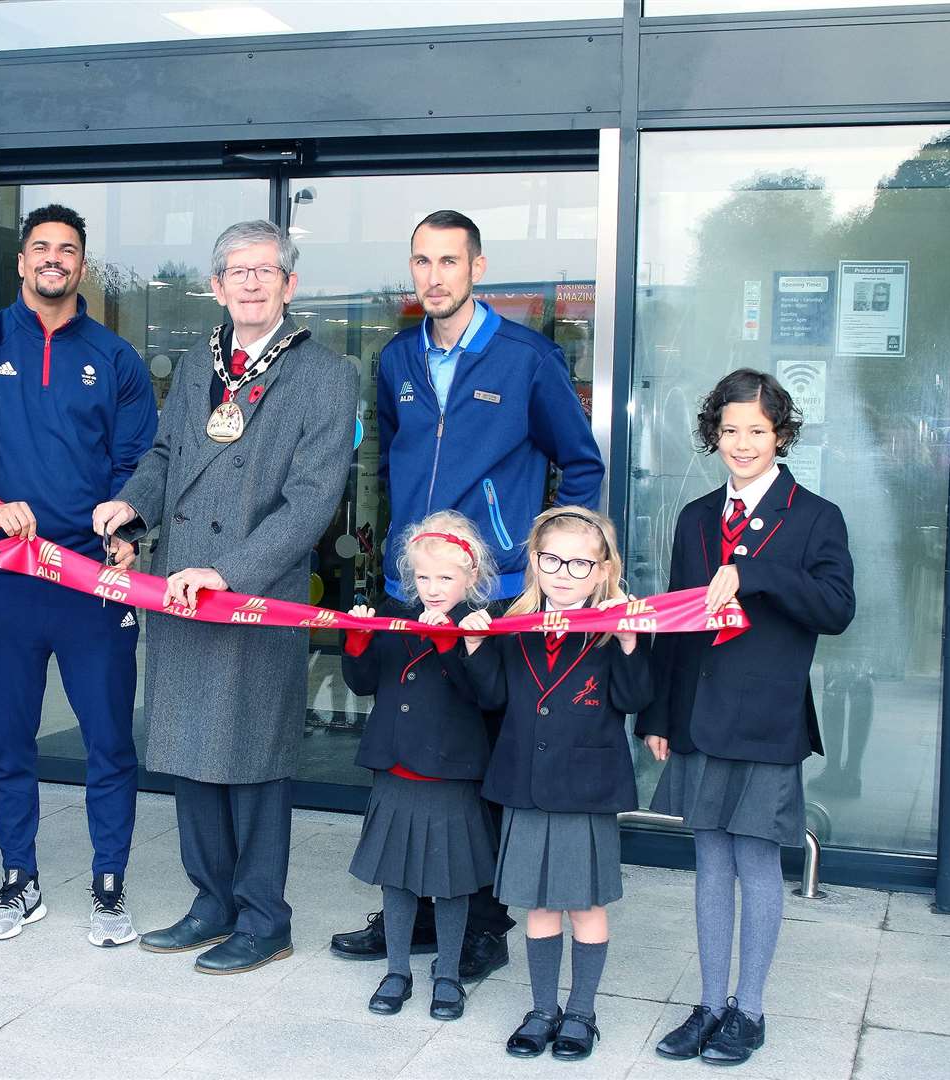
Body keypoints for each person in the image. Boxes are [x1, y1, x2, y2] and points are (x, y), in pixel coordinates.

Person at [332, 208, 606, 980]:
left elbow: (579, 466)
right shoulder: (395, 360)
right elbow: (392, 465)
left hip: (496, 599)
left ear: (478, 268)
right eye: (421, 261)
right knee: (410, 752)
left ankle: (481, 924)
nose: (434, 276)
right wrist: (395, 558)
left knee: (480, 763)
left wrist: (544, 563)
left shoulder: (527, 358)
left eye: (449, 261)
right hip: (409, 593)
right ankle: (412, 912)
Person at [93, 219, 358, 975]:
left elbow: (312, 503)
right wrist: (133, 507)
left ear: (289, 285)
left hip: (253, 595)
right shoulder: (198, 363)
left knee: (253, 758)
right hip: (179, 590)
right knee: (188, 751)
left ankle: (264, 916)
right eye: (235, 272)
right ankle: (211, 902)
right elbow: (168, 454)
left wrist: (230, 573)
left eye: (264, 271)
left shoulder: (327, 375)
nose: (249, 282)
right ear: (215, 286)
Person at [0, 204, 157, 946]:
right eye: (40, 248)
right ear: (21, 262)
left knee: (109, 743)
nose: (53, 258)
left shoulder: (115, 358)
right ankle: (17, 880)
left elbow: (140, 461)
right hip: (6, 580)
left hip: (91, 581)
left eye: (67, 249)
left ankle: (110, 886)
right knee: (9, 743)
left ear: (80, 266)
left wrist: (129, 527)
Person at [636, 369, 854, 1066]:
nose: (741, 443)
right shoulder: (698, 515)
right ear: (714, 433)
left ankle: (748, 1010)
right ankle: (708, 1004)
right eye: (729, 430)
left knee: (757, 861)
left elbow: (836, 607)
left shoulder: (816, 515)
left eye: (756, 431)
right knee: (708, 862)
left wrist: (756, 571)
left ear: (781, 434)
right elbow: (675, 617)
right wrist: (659, 714)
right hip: (699, 713)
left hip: (766, 719)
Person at [471, 507, 652, 1062]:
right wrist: (476, 650)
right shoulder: (509, 621)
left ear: (602, 570)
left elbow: (634, 698)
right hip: (526, 784)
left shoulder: (614, 628)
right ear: (534, 563)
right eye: (552, 560)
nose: (564, 573)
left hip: (586, 786)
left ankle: (581, 1011)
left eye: (579, 563)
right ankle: (543, 1008)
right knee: (539, 905)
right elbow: (492, 698)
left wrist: (626, 643)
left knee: (584, 906)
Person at [339, 511, 502, 1022]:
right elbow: (364, 683)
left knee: (452, 883)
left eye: (446, 578)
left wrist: (454, 642)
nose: (432, 588)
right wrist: (359, 641)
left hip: (450, 773)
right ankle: (397, 970)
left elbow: (489, 695)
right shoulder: (395, 613)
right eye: (424, 577)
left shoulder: (483, 622)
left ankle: (448, 975)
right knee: (398, 880)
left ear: (471, 577)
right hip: (395, 769)